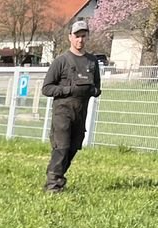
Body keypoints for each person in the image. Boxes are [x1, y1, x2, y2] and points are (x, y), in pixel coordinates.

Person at [41, 20, 102, 192]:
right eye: (77, 36)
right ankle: (53, 187)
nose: (80, 40)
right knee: (62, 147)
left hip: (81, 112)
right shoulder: (61, 61)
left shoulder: (92, 62)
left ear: (87, 37)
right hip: (63, 111)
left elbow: (97, 86)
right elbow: (46, 88)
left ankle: (56, 177)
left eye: (83, 36)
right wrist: (68, 90)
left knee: (74, 147)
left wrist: (93, 90)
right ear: (70, 37)